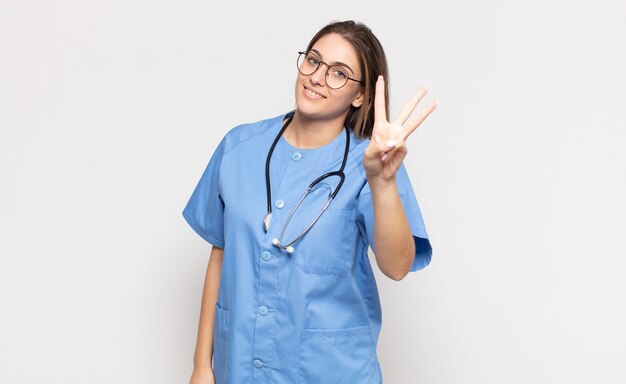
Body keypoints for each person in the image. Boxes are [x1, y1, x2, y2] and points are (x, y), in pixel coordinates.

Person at [184, 20, 438, 384]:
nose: (318, 77)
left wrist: (382, 183)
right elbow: (219, 256)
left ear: (360, 96)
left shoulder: (371, 164)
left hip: (331, 372)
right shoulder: (239, 147)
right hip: (239, 369)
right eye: (313, 61)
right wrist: (201, 366)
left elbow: (397, 266)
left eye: (339, 73)